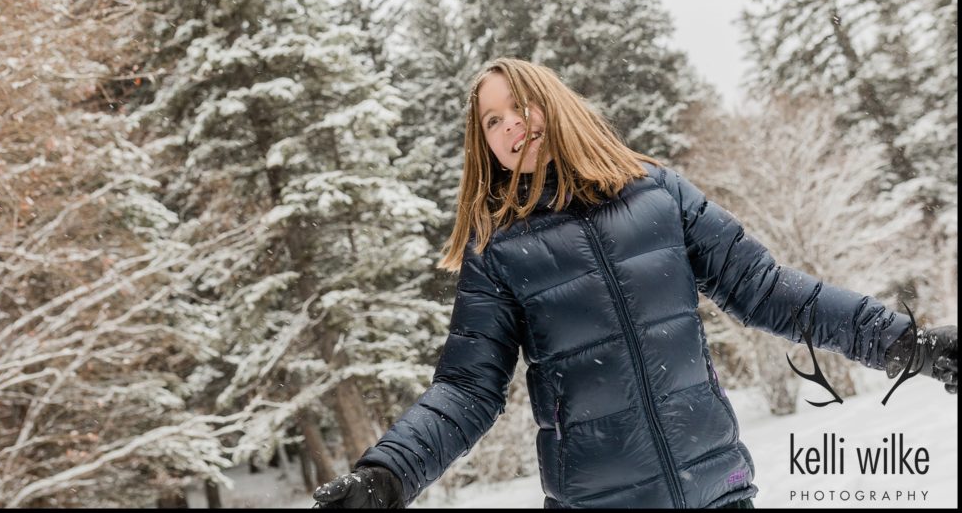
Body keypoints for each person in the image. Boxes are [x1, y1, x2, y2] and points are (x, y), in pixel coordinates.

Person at [312, 58, 957, 509]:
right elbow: (466, 390)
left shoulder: (658, 195)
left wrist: (909, 345)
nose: (510, 124)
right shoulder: (499, 252)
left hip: (717, 491)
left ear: (554, 104)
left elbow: (770, 291)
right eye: (491, 121)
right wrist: (388, 474)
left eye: (520, 104)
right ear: (484, 147)